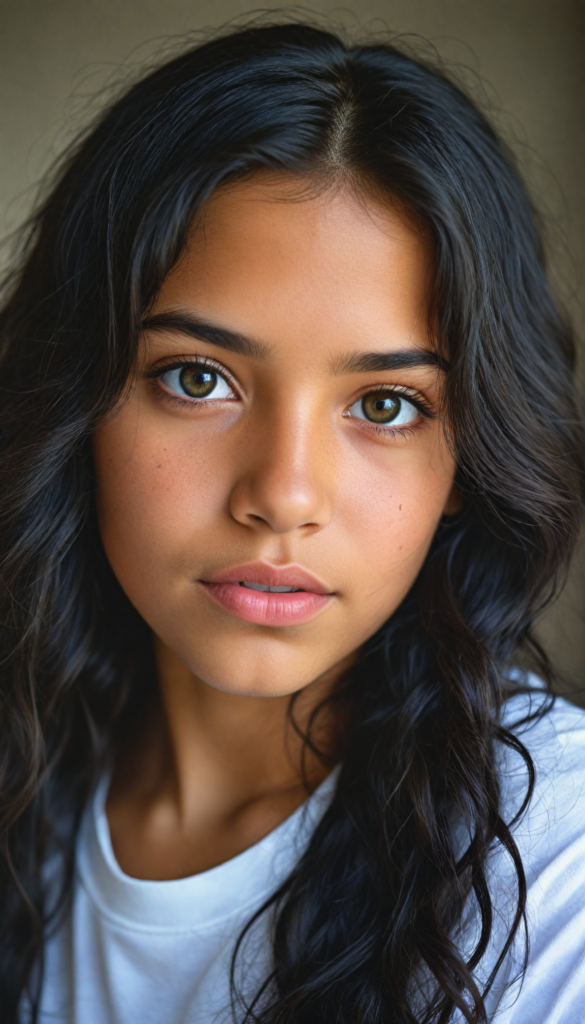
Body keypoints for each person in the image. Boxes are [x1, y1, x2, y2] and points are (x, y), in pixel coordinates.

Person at [0, 20, 584, 1024]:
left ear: (469, 458)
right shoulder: (31, 764)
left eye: (387, 404)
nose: (284, 494)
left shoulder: (553, 854)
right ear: (78, 401)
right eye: (198, 379)